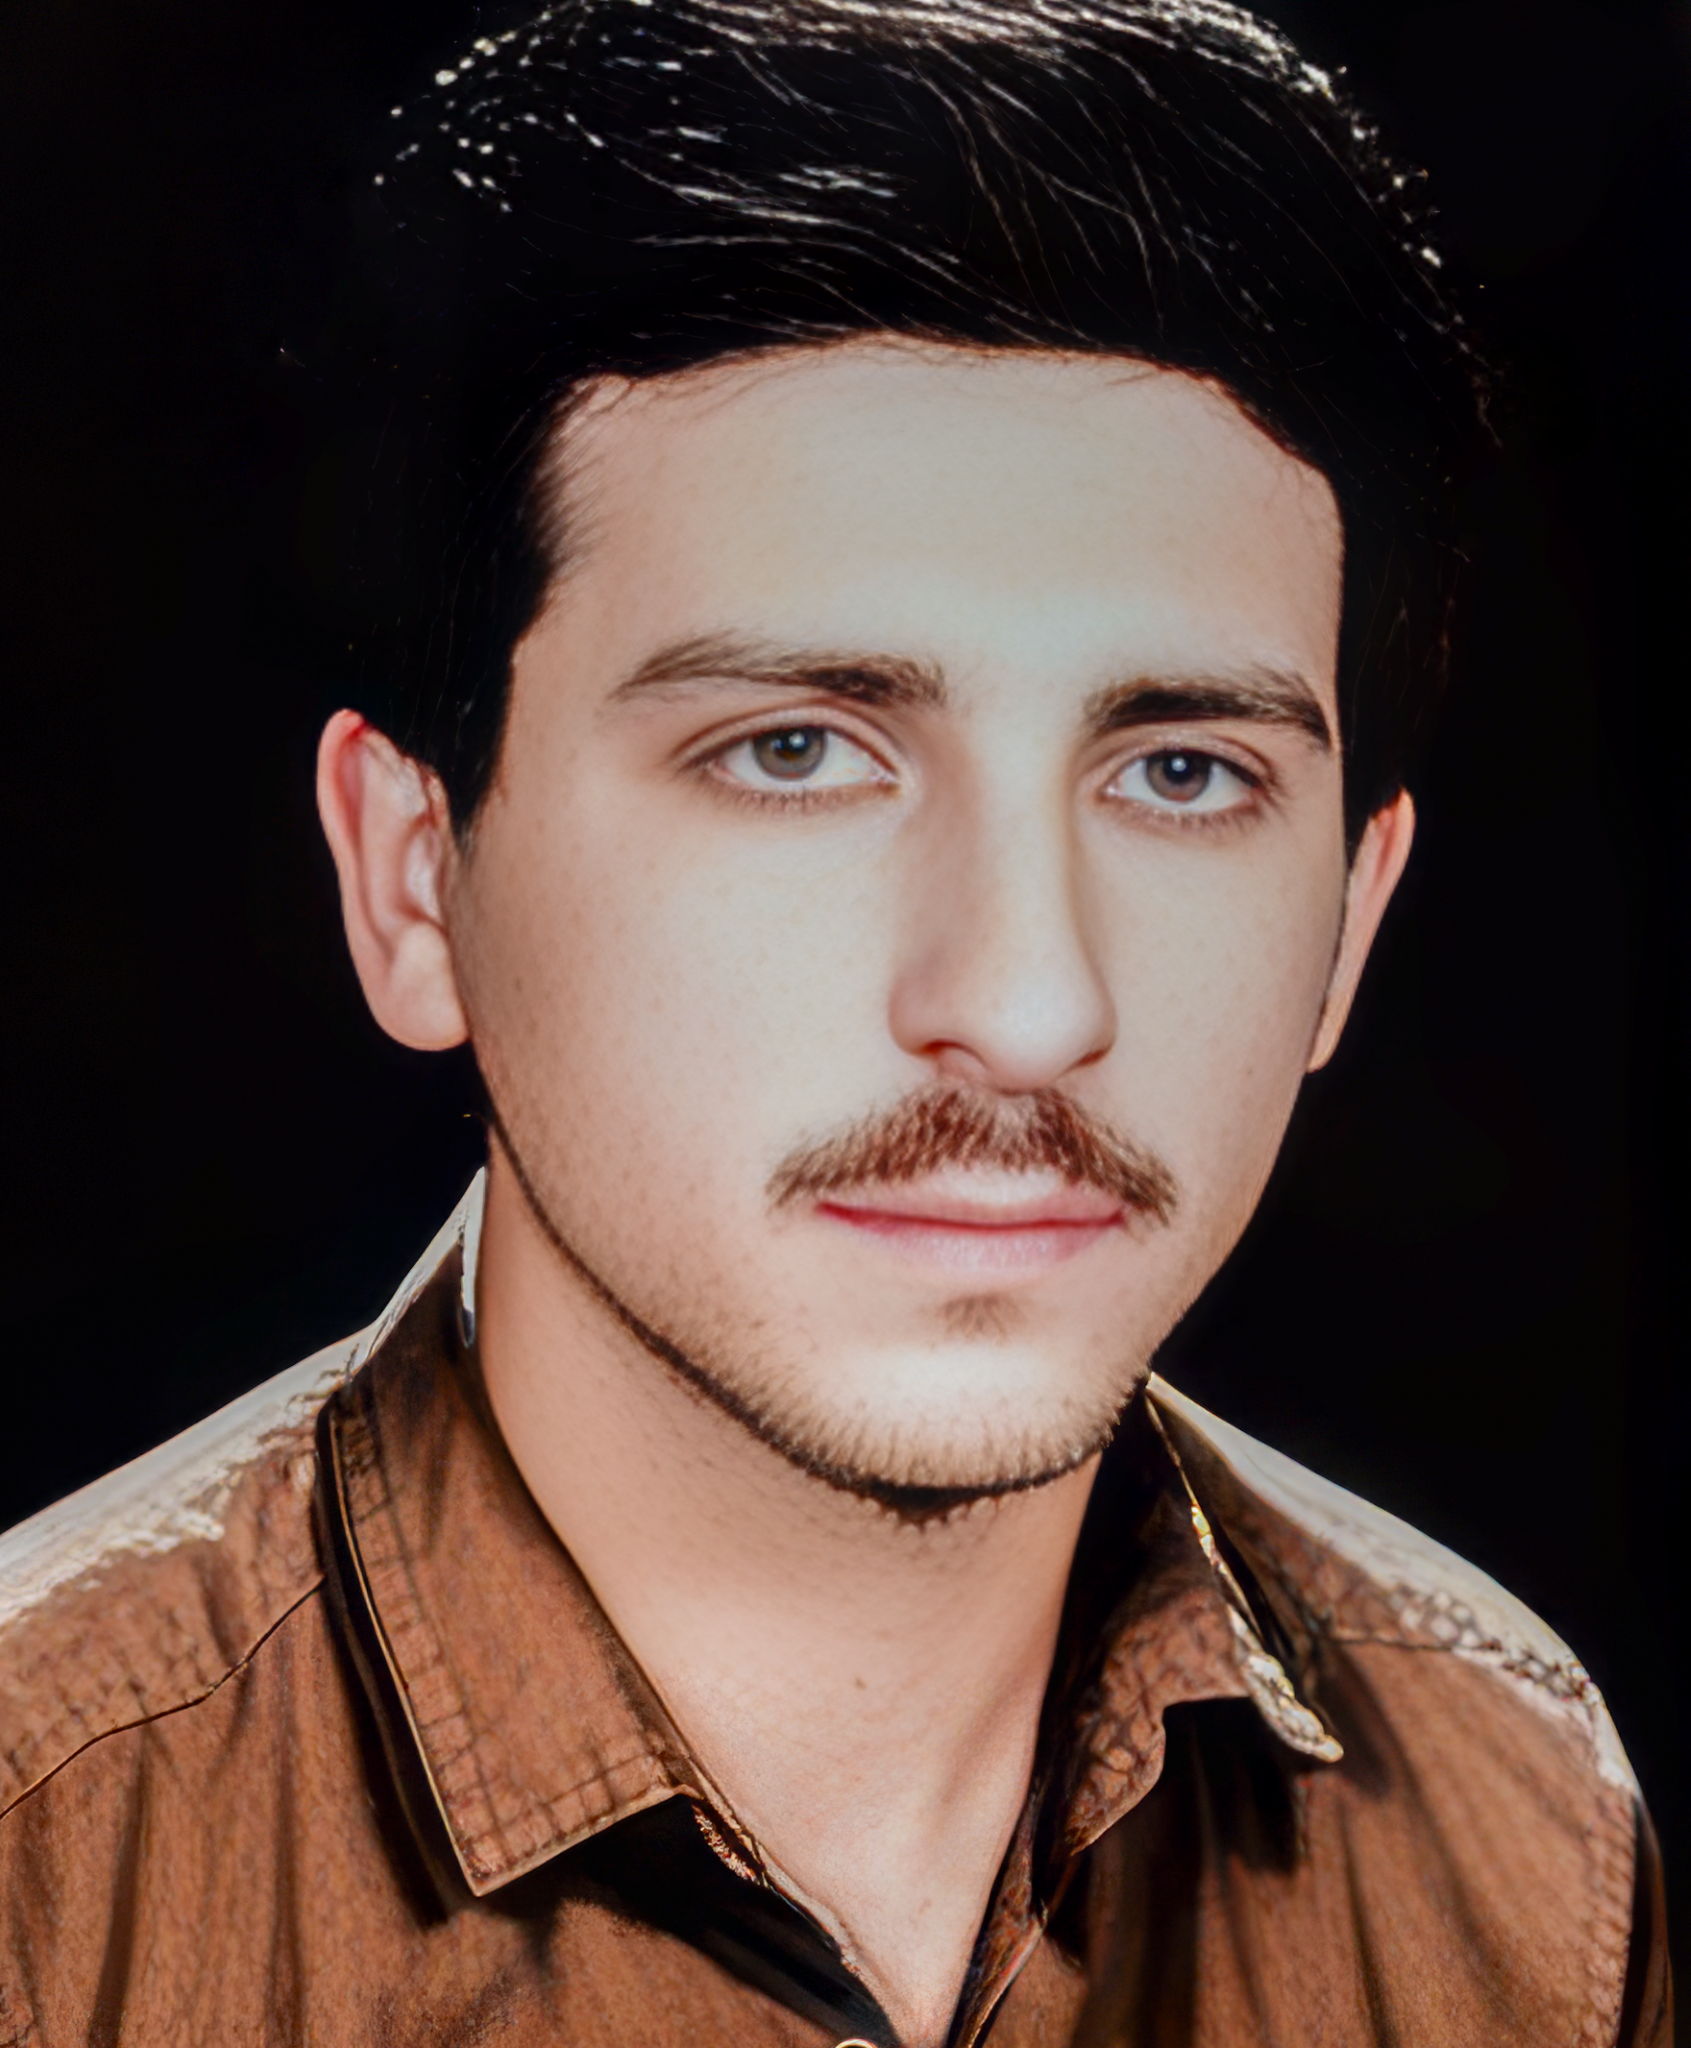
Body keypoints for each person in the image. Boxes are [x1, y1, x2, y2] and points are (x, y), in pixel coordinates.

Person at [0, 0, 1670, 2039]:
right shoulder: (39, 1871)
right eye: (793, 749)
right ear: (416, 880)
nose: (1029, 1006)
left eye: (1178, 773)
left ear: (1347, 926)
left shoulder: (1515, 1829)